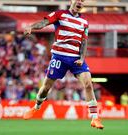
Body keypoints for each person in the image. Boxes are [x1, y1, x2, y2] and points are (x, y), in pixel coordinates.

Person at [23, 0, 104, 129]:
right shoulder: (60, 14)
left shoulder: (84, 22)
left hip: (76, 58)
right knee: (46, 87)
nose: (80, 2)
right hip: (59, 56)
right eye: (78, 0)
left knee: (88, 84)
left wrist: (82, 58)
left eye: (83, 1)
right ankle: (36, 107)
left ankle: (94, 118)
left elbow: (84, 42)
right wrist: (31, 27)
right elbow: (44, 22)